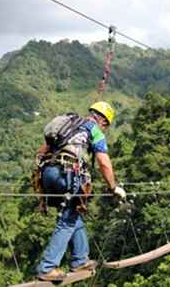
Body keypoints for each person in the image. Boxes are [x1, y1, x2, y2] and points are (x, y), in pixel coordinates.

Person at [36, 101, 126, 281]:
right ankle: (47, 267)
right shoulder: (95, 130)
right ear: (104, 121)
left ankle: (79, 260)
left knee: (73, 214)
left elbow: (41, 151)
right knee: (67, 221)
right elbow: (103, 162)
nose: (105, 128)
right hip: (67, 175)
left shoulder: (69, 124)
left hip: (47, 173)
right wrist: (113, 187)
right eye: (106, 125)